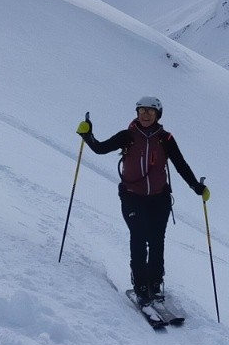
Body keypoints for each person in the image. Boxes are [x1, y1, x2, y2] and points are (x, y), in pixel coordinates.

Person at [78, 96, 209, 305]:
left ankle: (155, 283)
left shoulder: (165, 139)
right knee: (139, 238)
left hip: (160, 198)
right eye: (142, 111)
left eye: (150, 111)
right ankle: (140, 285)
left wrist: (196, 186)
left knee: (157, 241)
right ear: (137, 114)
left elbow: (180, 164)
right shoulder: (127, 135)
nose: (145, 115)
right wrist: (87, 135)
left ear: (158, 115)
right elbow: (100, 148)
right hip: (132, 197)